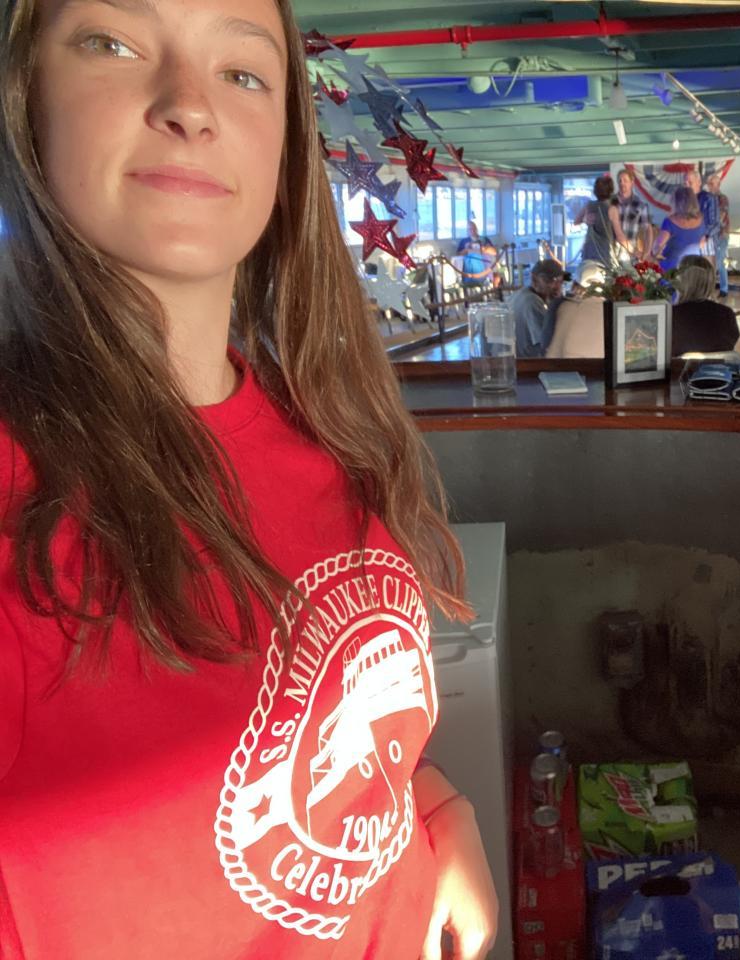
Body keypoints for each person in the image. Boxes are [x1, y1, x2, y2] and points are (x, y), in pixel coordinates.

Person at [0, 1, 498, 959]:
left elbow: (319, 716)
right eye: (112, 42)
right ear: (25, 101)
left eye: (242, 71)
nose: (189, 105)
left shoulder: (325, 426)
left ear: (285, 144)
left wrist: (435, 805)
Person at [671, 256, 739, 356]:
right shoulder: (726, 314)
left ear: (681, 282)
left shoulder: (671, 316)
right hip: (718, 366)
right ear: (711, 282)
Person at [545, 260, 608, 358]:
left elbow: (549, 348)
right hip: (602, 366)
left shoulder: (565, 307)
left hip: (564, 365)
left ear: (575, 285)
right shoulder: (612, 310)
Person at [510, 259, 566, 358]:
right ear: (534, 279)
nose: (555, 286)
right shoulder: (532, 302)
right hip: (528, 363)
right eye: (548, 281)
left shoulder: (519, 294)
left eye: (559, 282)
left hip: (518, 359)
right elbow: (547, 342)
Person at [575, 174, 623, 268]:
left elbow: (576, 221)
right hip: (604, 253)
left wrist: (585, 220)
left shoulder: (589, 205)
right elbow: (619, 235)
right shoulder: (612, 209)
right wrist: (633, 250)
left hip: (589, 252)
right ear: (610, 190)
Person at [654, 186, 705, 273]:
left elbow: (659, 244)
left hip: (672, 268)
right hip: (693, 268)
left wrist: (655, 253)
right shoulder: (701, 220)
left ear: (676, 202)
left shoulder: (670, 221)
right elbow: (702, 244)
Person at [614, 168, 653, 263]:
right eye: (620, 181)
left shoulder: (640, 205)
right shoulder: (610, 203)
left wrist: (647, 252)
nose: (622, 183)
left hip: (630, 255)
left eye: (625, 180)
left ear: (632, 182)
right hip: (611, 254)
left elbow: (648, 229)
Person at [705, 172, 731, 297]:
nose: (709, 186)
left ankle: (723, 289)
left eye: (712, 184)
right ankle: (709, 289)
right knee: (709, 262)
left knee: (719, 261)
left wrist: (711, 227)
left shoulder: (722, 199)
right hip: (709, 235)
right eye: (709, 184)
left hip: (720, 234)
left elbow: (721, 216)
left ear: (718, 185)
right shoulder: (706, 199)